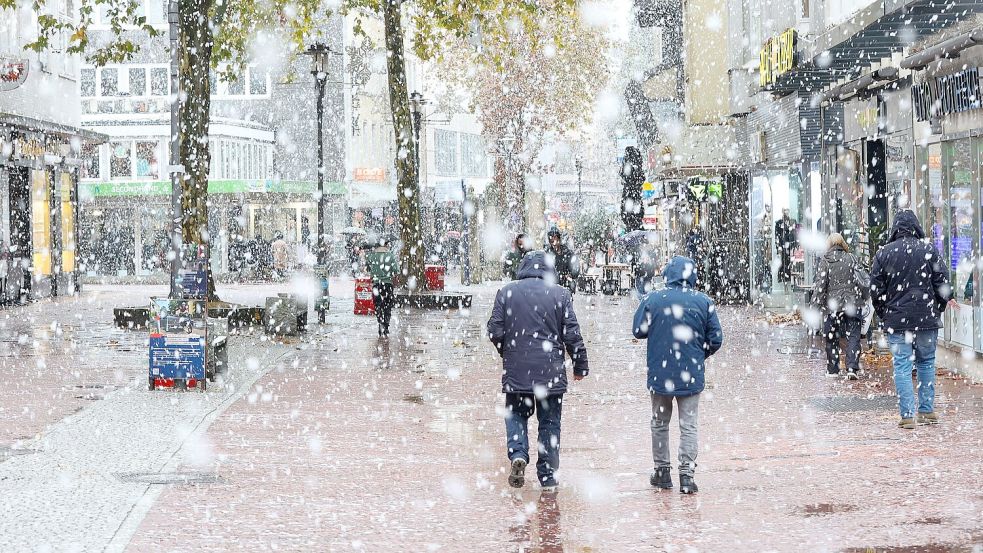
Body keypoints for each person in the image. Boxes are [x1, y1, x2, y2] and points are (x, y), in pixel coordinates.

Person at [487, 250, 589, 491]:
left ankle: (518, 453)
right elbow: (572, 334)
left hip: (517, 370)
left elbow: (495, 331)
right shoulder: (561, 294)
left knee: (515, 414)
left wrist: (508, 352)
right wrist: (580, 364)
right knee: (550, 423)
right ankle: (548, 476)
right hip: (550, 372)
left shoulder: (507, 292)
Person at [632, 256, 723, 494]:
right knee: (689, 424)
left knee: (660, 423)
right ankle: (686, 476)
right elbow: (716, 339)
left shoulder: (653, 299)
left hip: (660, 373)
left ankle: (662, 472)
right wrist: (699, 355)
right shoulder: (703, 301)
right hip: (690, 374)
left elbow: (638, 330)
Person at [870, 210, 954, 430]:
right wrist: (938, 308)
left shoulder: (884, 253)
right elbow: (943, 283)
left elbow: (875, 290)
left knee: (902, 366)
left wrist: (885, 313)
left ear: (895, 229)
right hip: (926, 318)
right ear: (916, 227)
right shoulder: (928, 250)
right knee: (926, 362)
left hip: (897, 321)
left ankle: (907, 415)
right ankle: (926, 411)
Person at [812, 233, 868, 379]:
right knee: (854, 336)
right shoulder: (852, 258)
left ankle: (833, 368)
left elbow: (820, 286)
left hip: (833, 306)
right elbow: (862, 280)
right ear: (843, 244)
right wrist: (864, 298)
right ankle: (851, 368)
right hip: (852, 304)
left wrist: (815, 306)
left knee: (831, 336)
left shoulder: (826, 261)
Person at [365, 236, 400, 337]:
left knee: (378, 305)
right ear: (385, 245)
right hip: (388, 284)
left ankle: (380, 323)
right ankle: (386, 326)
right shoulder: (390, 255)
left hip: (376, 284)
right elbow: (395, 270)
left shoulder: (372, 256)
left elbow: (367, 267)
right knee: (388, 305)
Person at [546, 229, 579, 293]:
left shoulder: (568, 253)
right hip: (552, 287)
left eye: (555, 238)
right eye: (551, 240)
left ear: (559, 239)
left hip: (566, 286)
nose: (554, 242)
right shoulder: (547, 254)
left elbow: (575, 267)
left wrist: (571, 274)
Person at [775, 209, 797, 286]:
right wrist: (778, 247)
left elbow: (794, 234)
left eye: (787, 211)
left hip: (790, 247)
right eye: (785, 211)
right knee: (783, 263)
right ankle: (784, 279)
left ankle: (790, 280)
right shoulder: (779, 223)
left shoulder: (792, 222)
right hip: (783, 247)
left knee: (791, 264)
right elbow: (777, 236)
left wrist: (794, 246)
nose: (786, 213)